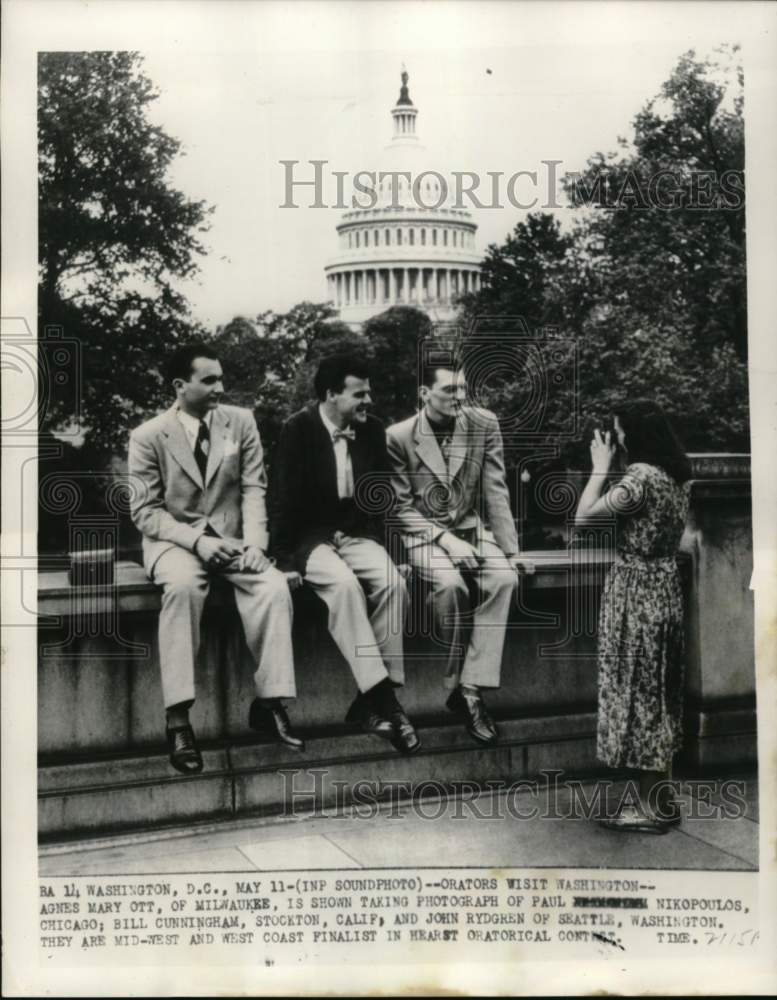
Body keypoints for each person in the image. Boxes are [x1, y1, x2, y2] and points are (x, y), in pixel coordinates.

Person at [128, 343, 301, 776]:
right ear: (179, 386)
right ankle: (179, 720)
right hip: (175, 543)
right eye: (209, 380)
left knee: (274, 586)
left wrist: (257, 546)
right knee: (184, 588)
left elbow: (253, 489)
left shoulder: (240, 422)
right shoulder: (147, 436)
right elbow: (145, 512)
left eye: (221, 378)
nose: (220, 388)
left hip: (233, 540)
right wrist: (196, 542)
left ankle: (269, 702)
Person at [269, 353, 420, 755]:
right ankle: (384, 700)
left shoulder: (372, 431)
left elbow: (382, 497)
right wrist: (283, 561)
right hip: (309, 538)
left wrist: (394, 551)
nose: (368, 400)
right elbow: (281, 499)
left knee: (394, 583)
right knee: (344, 587)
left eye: (368, 392)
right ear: (331, 394)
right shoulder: (297, 429)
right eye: (359, 393)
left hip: (355, 532)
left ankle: (368, 700)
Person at [386, 362, 532, 745]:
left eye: (463, 389)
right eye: (450, 390)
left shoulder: (483, 424)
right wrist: (445, 541)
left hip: (471, 528)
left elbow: (495, 490)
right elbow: (400, 509)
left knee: (503, 578)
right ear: (424, 393)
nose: (460, 397)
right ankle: (458, 688)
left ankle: (469, 688)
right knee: (451, 585)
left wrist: (511, 550)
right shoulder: (398, 436)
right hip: (424, 536)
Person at [575, 399, 692, 833]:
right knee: (659, 695)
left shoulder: (639, 479)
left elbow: (584, 517)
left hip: (636, 594)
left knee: (640, 697)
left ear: (636, 435)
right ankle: (661, 801)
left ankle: (649, 809)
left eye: (620, 432)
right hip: (664, 588)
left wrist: (599, 468)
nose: (617, 439)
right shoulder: (678, 476)